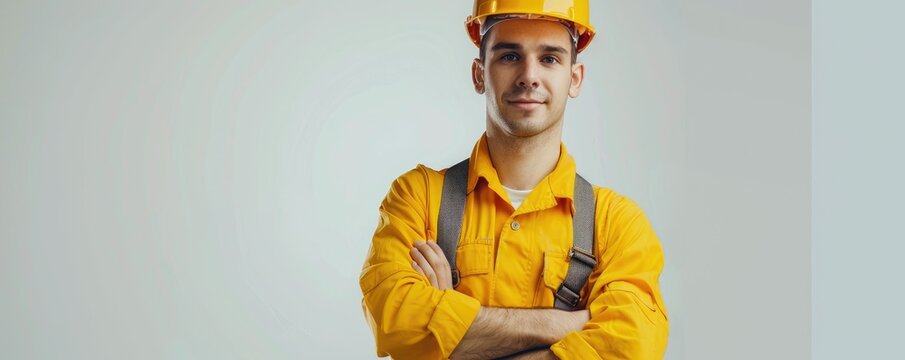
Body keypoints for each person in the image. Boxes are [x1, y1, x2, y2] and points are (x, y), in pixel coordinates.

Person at [359, 1, 668, 358]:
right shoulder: (418, 197)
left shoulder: (616, 223)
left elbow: (633, 345)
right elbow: (395, 321)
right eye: (509, 56)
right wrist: (561, 325)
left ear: (575, 78)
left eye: (549, 58)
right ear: (478, 74)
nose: (529, 76)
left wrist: (447, 331)